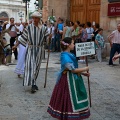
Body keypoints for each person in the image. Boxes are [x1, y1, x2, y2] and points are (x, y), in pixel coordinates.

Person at [47, 37, 90, 120]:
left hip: (74, 78)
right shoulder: (65, 56)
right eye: (73, 43)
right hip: (68, 80)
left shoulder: (70, 54)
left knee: (71, 97)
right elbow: (73, 70)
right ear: (69, 45)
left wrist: (83, 73)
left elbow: (73, 68)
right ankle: (68, 115)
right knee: (69, 97)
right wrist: (86, 68)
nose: (74, 45)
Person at [12, 11, 50, 93]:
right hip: (30, 49)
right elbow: (22, 38)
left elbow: (47, 39)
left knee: (36, 67)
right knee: (30, 66)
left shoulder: (44, 28)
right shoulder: (29, 27)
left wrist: (49, 39)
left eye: (36, 18)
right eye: (33, 18)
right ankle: (33, 84)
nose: (34, 19)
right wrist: (15, 45)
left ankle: (34, 83)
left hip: (39, 49)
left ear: (39, 19)